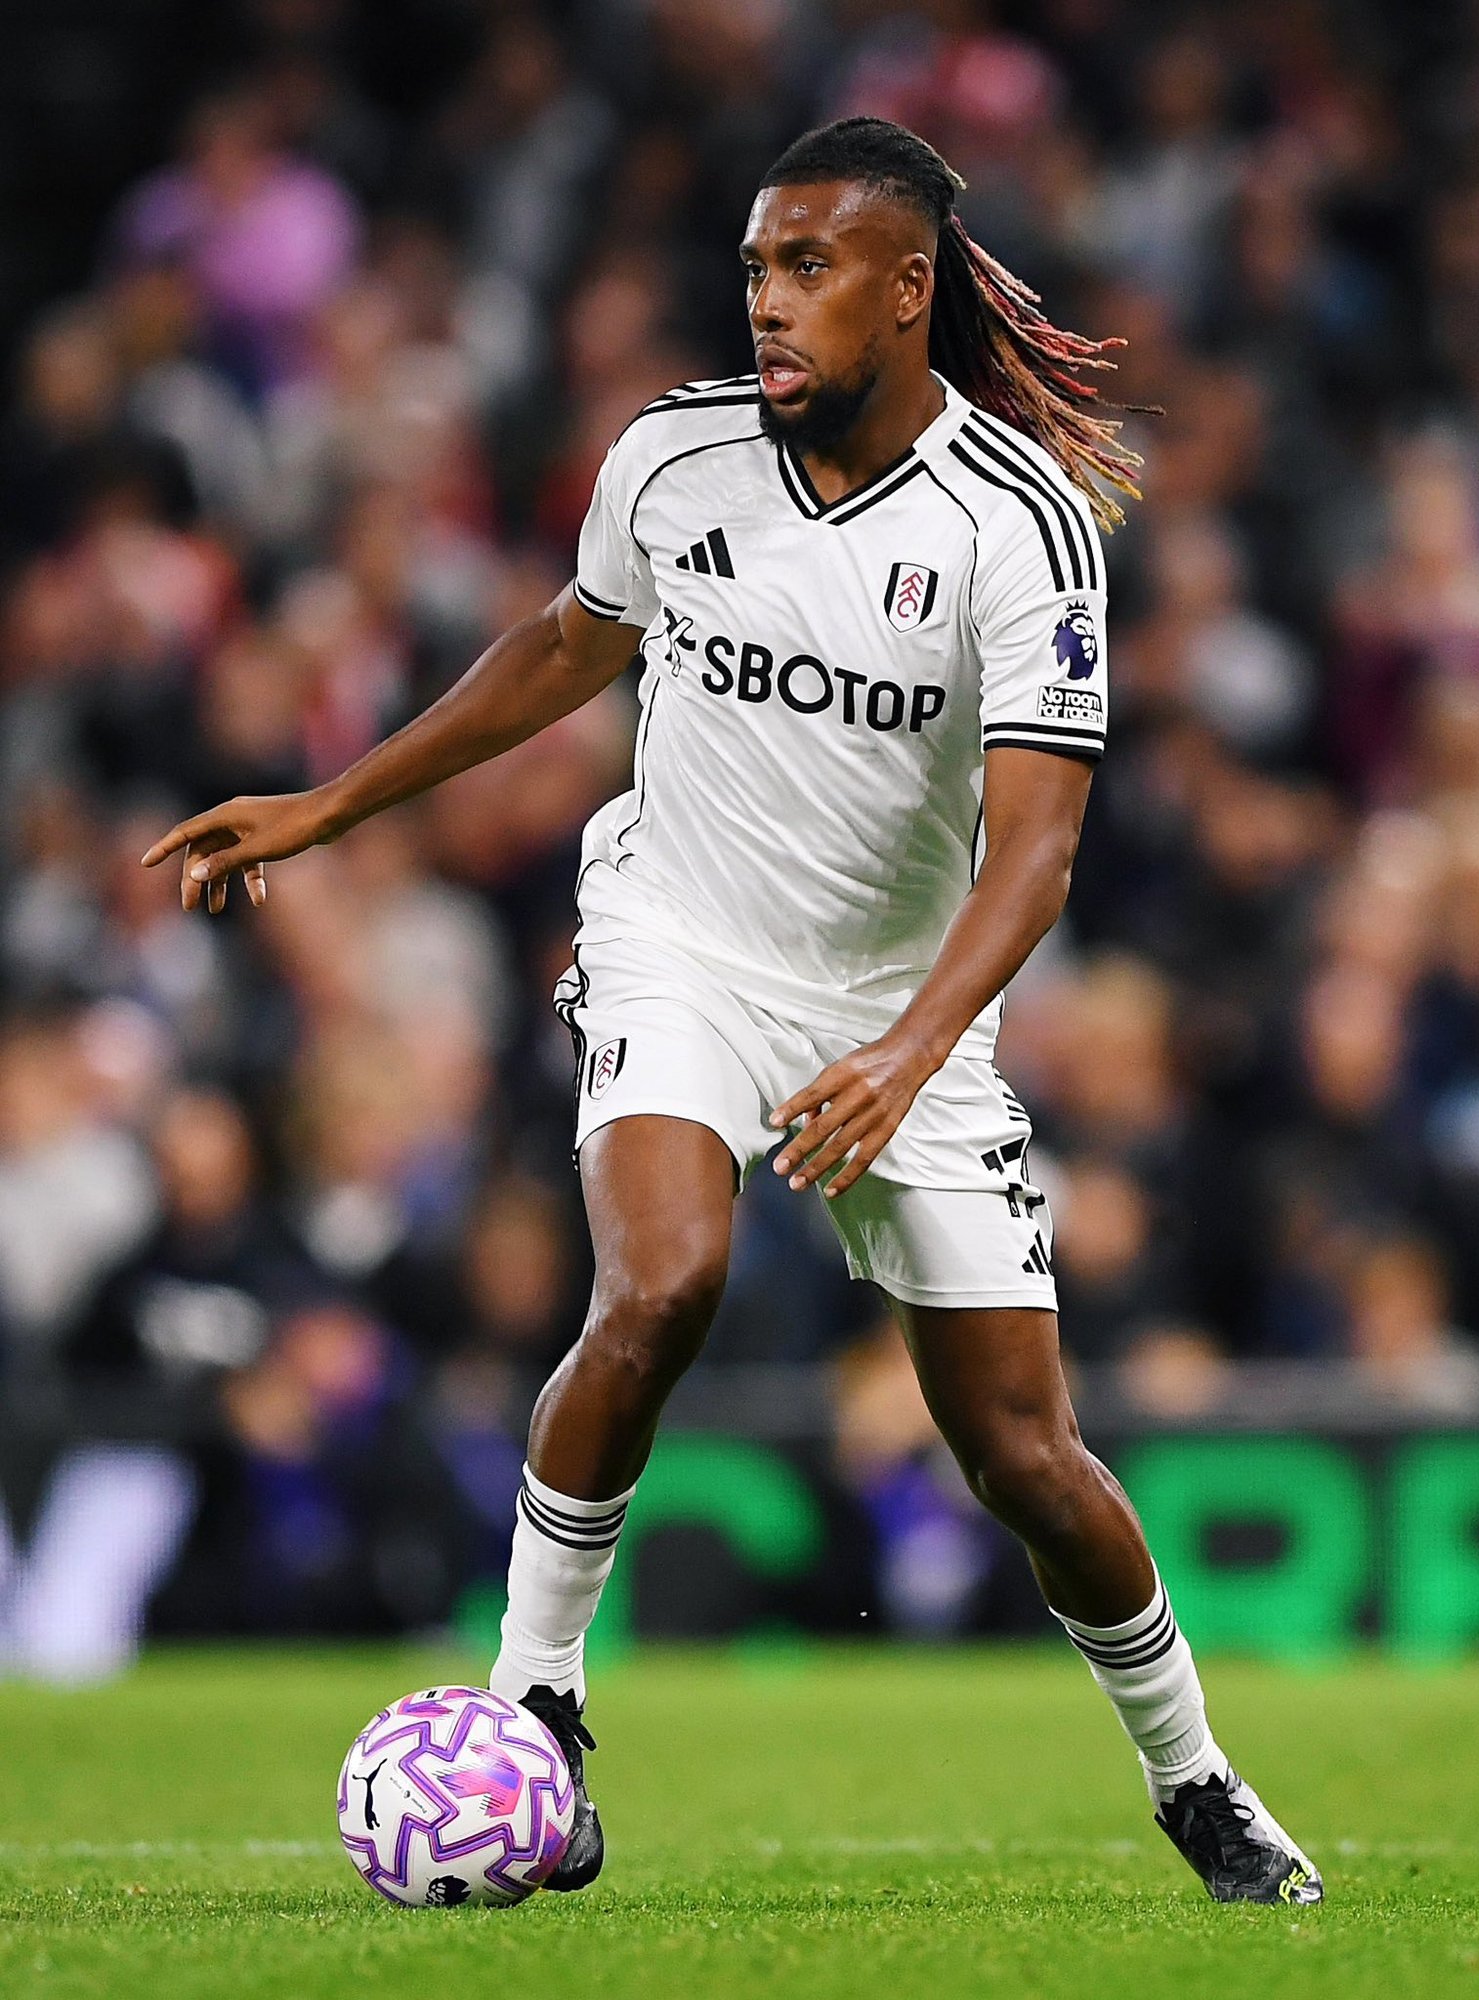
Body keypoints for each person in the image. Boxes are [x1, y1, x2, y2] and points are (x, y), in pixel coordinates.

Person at [143, 116, 1321, 1907]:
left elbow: (1038, 857)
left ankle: (1199, 1783)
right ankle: (537, 1704)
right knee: (662, 1281)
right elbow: (559, 645)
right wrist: (328, 805)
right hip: (674, 942)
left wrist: (910, 1051)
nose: (765, 302)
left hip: (899, 1017)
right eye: (758, 265)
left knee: (1024, 1452)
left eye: (808, 268)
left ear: (906, 288)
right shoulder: (674, 458)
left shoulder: (1021, 531)